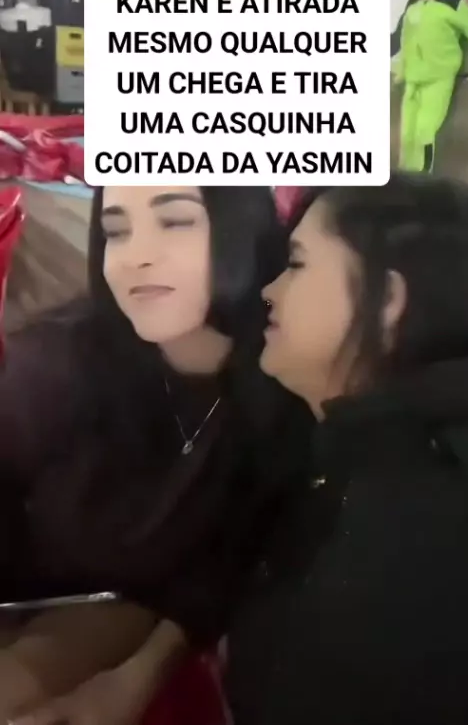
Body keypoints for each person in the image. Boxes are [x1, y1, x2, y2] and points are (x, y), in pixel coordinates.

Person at [0, 185, 307, 723]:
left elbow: (230, 564)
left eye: (176, 221)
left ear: (240, 230)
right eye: (116, 231)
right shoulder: (56, 365)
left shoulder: (287, 384)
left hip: (128, 618)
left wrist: (131, 682)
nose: (135, 256)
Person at [227, 174, 468, 725]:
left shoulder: (420, 531)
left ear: (386, 298)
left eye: (296, 264)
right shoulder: (360, 450)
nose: (269, 291)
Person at [391, 0, 468, 173]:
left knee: (425, 132)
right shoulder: (414, 5)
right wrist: (402, 72)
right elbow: (406, 40)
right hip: (412, 81)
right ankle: (406, 179)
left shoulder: (453, 1)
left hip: (437, 81)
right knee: (406, 135)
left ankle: (422, 180)